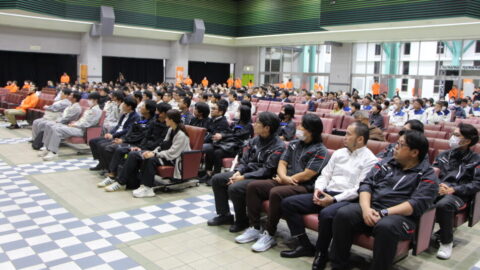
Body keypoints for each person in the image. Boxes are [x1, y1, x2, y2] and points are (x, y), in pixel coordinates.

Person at [329, 130, 439, 270]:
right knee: (344, 213)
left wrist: (383, 213)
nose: (395, 147)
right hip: (373, 207)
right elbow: (366, 185)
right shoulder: (386, 163)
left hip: (401, 217)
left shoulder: (427, 175)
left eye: (400, 144)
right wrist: (366, 209)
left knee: (386, 226)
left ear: (414, 152)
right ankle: (338, 264)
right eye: (396, 143)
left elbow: (415, 204)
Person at [281, 122, 377, 268]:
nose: (344, 137)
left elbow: (359, 189)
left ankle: (321, 252)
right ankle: (304, 244)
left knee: (326, 214)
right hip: (326, 192)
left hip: (347, 200)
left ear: (360, 139)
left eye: (348, 134)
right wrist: (318, 190)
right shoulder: (339, 153)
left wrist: (333, 199)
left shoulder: (370, 160)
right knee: (288, 203)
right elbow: (325, 175)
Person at [235, 114, 328, 252]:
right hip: (285, 179)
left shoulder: (320, 150)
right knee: (253, 186)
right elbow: (282, 163)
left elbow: (308, 174)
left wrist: (285, 179)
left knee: (276, 193)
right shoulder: (294, 144)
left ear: (311, 130)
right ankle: (254, 227)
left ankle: (270, 234)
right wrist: (283, 177)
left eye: (302, 126)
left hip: (303, 186)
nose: (298, 128)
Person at [207, 112, 285, 232]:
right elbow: (244, 160)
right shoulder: (254, 140)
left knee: (235, 187)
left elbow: (267, 170)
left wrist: (244, 177)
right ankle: (225, 215)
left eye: (258, 123)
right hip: (246, 172)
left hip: (263, 178)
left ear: (267, 128)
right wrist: (238, 171)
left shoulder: (279, 146)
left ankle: (241, 220)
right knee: (217, 179)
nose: (254, 124)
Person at [433, 123, 480, 260]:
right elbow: (432, 172)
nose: (452, 137)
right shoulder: (443, 155)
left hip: (459, 194)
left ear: (467, 140)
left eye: (457, 135)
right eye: (453, 134)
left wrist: (453, 189)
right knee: (417, 197)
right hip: (439, 189)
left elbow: (476, 184)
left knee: (444, 205)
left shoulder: (476, 160)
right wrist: (437, 186)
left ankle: (446, 242)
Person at [102, 102, 171, 191]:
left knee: (133, 154)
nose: (156, 113)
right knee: (120, 150)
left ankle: (121, 182)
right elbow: (147, 136)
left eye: (158, 111)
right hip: (144, 147)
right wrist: (141, 147)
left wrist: (145, 149)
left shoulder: (168, 126)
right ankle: (112, 175)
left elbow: (160, 142)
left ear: (164, 113)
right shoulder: (154, 122)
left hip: (153, 150)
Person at [127, 110, 191, 198]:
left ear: (171, 120)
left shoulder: (181, 135)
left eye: (167, 119)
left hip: (176, 160)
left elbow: (173, 153)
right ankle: (144, 185)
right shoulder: (170, 130)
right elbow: (162, 145)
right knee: (146, 156)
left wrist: (155, 155)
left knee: (151, 160)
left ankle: (148, 188)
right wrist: (153, 152)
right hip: (168, 157)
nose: (165, 120)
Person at [96, 100, 157, 186]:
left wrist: (125, 141)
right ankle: (112, 174)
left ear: (148, 110)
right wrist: (123, 139)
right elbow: (130, 131)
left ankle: (115, 175)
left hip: (137, 143)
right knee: (106, 146)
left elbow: (142, 136)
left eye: (143, 106)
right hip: (129, 140)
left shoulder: (152, 122)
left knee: (116, 148)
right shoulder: (141, 118)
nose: (140, 107)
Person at [39, 92, 103, 161]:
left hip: (83, 130)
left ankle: (53, 152)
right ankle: (47, 148)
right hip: (77, 127)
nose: (88, 101)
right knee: (53, 127)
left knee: (57, 130)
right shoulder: (90, 109)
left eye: (90, 99)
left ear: (96, 100)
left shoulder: (97, 111)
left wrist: (75, 124)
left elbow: (88, 123)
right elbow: (82, 120)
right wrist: (75, 123)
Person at [203, 105, 253, 185]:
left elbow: (237, 135)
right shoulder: (236, 122)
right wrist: (221, 134)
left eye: (239, 111)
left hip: (237, 148)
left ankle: (216, 175)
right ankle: (208, 173)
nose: (237, 113)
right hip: (228, 144)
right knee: (211, 150)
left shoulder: (248, 126)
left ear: (243, 113)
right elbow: (228, 132)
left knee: (217, 153)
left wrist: (223, 136)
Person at [89, 96, 140, 171]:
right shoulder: (124, 114)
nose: (122, 105)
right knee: (92, 141)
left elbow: (127, 130)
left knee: (101, 145)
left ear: (129, 107)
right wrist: (109, 133)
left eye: (124, 104)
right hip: (115, 134)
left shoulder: (136, 117)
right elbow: (118, 126)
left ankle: (108, 167)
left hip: (121, 137)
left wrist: (113, 135)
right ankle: (101, 162)